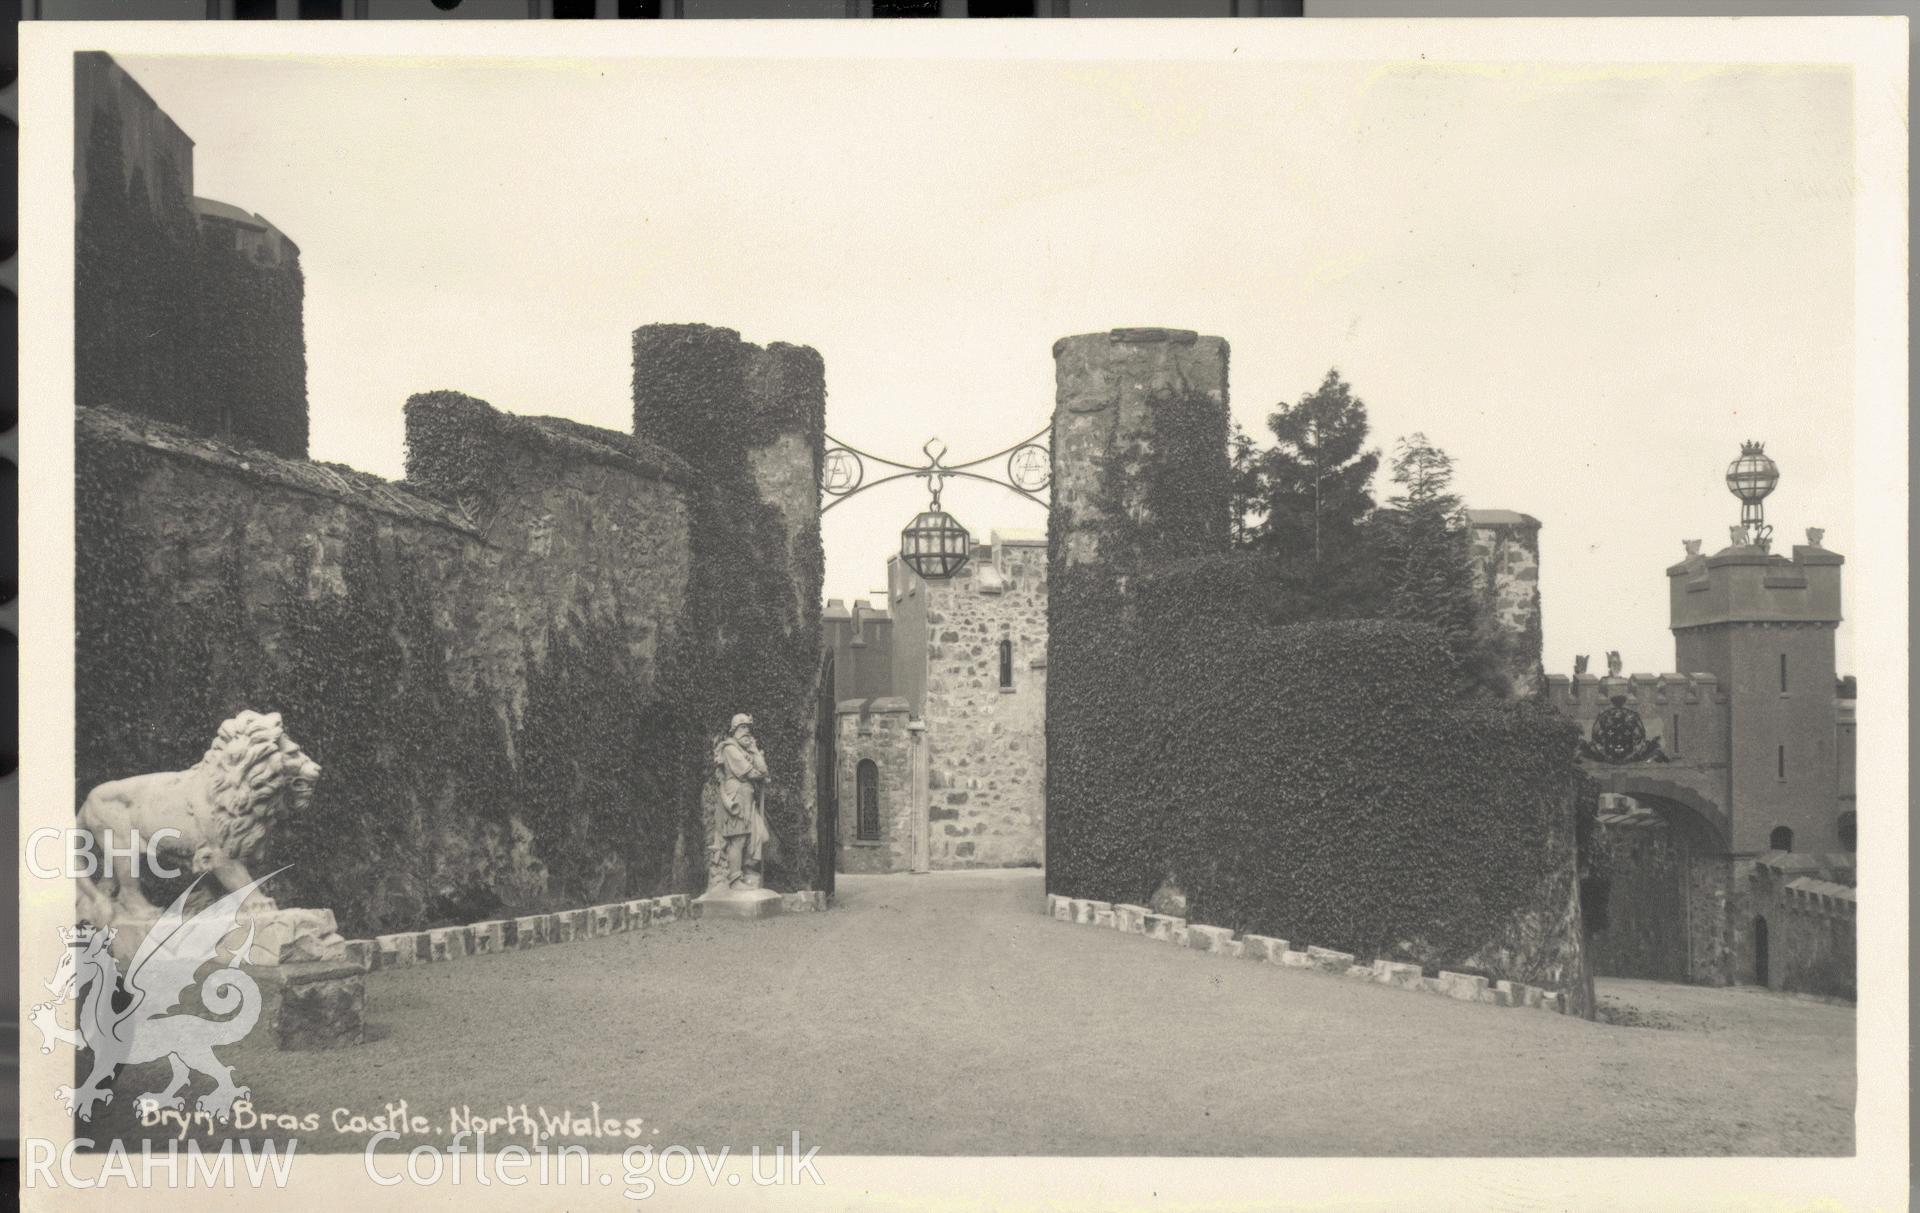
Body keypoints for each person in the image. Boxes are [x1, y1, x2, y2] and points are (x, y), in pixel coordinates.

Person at [712, 713, 770, 889]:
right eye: (743, 728)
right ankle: (735, 880)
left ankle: (745, 871)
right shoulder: (730, 749)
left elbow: (763, 771)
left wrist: (754, 751)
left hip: (747, 797)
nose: (747, 732)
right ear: (734, 730)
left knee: (758, 836)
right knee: (738, 839)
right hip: (735, 796)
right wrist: (759, 774)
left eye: (748, 728)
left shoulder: (746, 750)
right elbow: (752, 773)